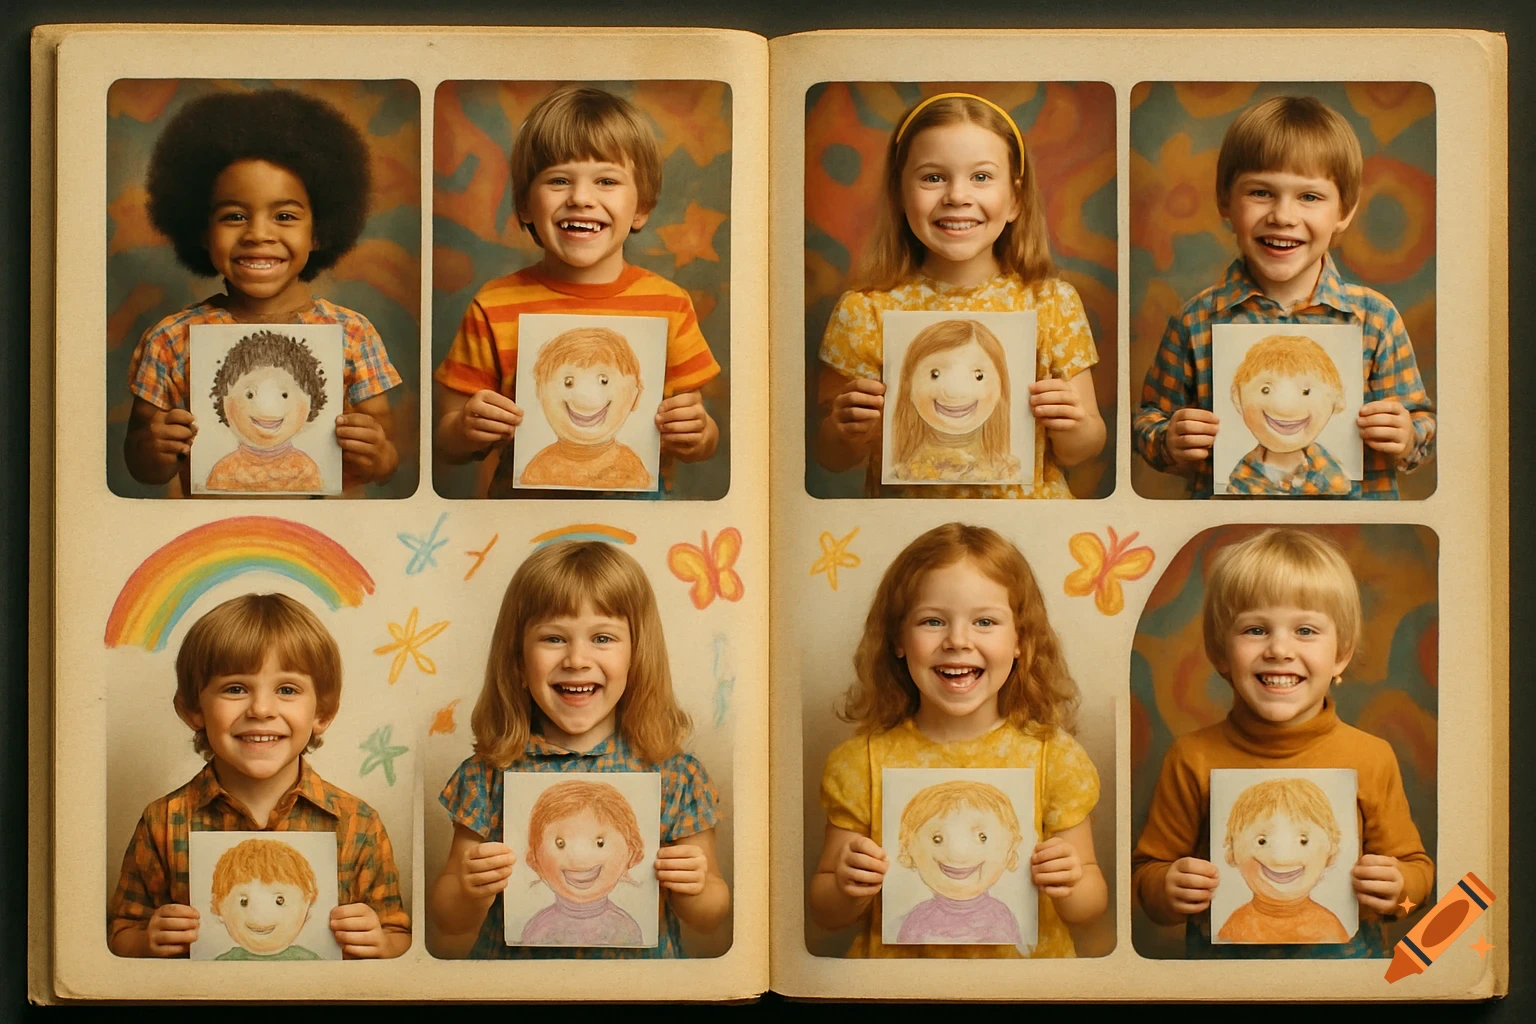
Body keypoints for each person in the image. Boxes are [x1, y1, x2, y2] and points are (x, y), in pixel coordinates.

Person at [1131, 528, 1434, 958]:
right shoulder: (1191, 758)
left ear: (1341, 655)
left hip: (1345, 990)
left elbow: (1416, 881)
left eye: (1306, 630)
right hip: (1224, 991)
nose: (1279, 649)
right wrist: (1168, 887)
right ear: (1220, 653)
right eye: (1255, 629)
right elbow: (1149, 883)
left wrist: (1399, 888)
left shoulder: (1371, 757)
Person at [808, 523, 1107, 957]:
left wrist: (1071, 882)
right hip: (898, 992)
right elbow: (826, 911)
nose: (958, 641)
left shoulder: (1053, 757)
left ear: (1021, 639)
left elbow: (1090, 905)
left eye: (985, 621)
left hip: (1024, 992)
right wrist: (846, 885)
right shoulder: (860, 762)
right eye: (933, 621)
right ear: (897, 638)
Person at [427, 541, 731, 958]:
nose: (576, 659)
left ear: (636, 656)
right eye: (553, 638)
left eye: (602, 637)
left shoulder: (678, 776)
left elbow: (711, 915)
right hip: (517, 997)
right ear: (518, 661)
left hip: (637, 1000)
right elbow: (448, 919)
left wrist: (695, 887)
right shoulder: (487, 774)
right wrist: (468, 887)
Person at [1132, 95, 1435, 499]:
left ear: (1343, 210)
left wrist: (1407, 434)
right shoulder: (1196, 319)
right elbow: (1149, 420)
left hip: (1349, 533)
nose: (1283, 216)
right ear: (1225, 200)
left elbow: (1421, 423)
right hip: (1231, 531)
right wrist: (1169, 439)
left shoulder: (1375, 319)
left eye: (1309, 197)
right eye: (1261, 192)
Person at [433, 86, 721, 498]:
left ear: (640, 208)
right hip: (521, 517)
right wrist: (467, 428)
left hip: (641, 522)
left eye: (606, 180)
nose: (581, 198)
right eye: (559, 180)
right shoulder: (494, 305)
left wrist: (697, 432)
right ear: (525, 206)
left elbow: (702, 442)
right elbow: (448, 444)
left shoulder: (669, 305)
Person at [814, 92, 1105, 498]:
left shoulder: (1051, 302)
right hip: (910, 535)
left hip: (1033, 530)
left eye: (981, 177)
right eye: (933, 177)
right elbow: (830, 456)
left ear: (1016, 199)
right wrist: (846, 428)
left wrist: (1073, 424)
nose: (957, 195)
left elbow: (1083, 448)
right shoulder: (864, 310)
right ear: (900, 195)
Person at [123, 88, 403, 496]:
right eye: (234, 215)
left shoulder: (352, 333)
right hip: (213, 539)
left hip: (325, 537)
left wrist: (376, 453)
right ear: (201, 232)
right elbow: (141, 465)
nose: (258, 234)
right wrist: (155, 448)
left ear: (320, 231)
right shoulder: (169, 339)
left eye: (285, 216)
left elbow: (386, 458)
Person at [107, 594, 411, 958]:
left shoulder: (359, 824)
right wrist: (147, 941)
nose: (262, 709)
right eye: (235, 688)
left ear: (323, 713)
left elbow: (399, 937)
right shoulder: (162, 822)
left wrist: (379, 943)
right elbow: (120, 935)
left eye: (287, 689)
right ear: (193, 709)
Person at [893, 780, 1027, 945]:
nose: (958, 854)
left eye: (982, 837)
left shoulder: (1001, 918)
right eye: (937, 839)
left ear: (1010, 847)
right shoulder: (918, 920)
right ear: (908, 847)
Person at [1217, 778, 1350, 944]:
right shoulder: (1236, 927)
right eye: (1261, 841)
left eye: (1303, 840)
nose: (1282, 860)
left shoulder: (1329, 927)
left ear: (1331, 849)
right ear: (1231, 850)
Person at [887, 319, 1021, 484]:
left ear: (1001, 386)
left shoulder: (1007, 472)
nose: (954, 393)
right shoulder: (902, 473)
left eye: (978, 376)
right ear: (909, 387)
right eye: (934, 374)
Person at [519, 326, 650, 490]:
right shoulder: (539, 469)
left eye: (604, 380)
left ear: (635, 395)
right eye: (568, 382)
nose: (585, 398)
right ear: (540, 391)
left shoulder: (631, 468)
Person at [519, 779, 647, 946]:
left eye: (600, 842)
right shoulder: (538, 930)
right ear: (535, 859)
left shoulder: (626, 929)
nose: (579, 858)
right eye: (560, 843)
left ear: (631, 853)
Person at [204, 330, 329, 493]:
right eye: (250, 394)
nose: (267, 408)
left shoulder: (306, 471)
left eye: (284, 394)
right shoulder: (223, 473)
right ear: (224, 398)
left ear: (312, 400)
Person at [1226, 333, 1350, 496]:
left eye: (1306, 391)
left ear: (1337, 398)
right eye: (1265, 390)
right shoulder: (1242, 477)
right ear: (1237, 397)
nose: (1284, 408)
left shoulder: (1330, 472)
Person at [209, 837, 324, 960]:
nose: (260, 916)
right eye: (244, 902)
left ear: (307, 905)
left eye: (280, 900)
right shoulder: (223, 963)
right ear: (219, 907)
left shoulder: (310, 961)